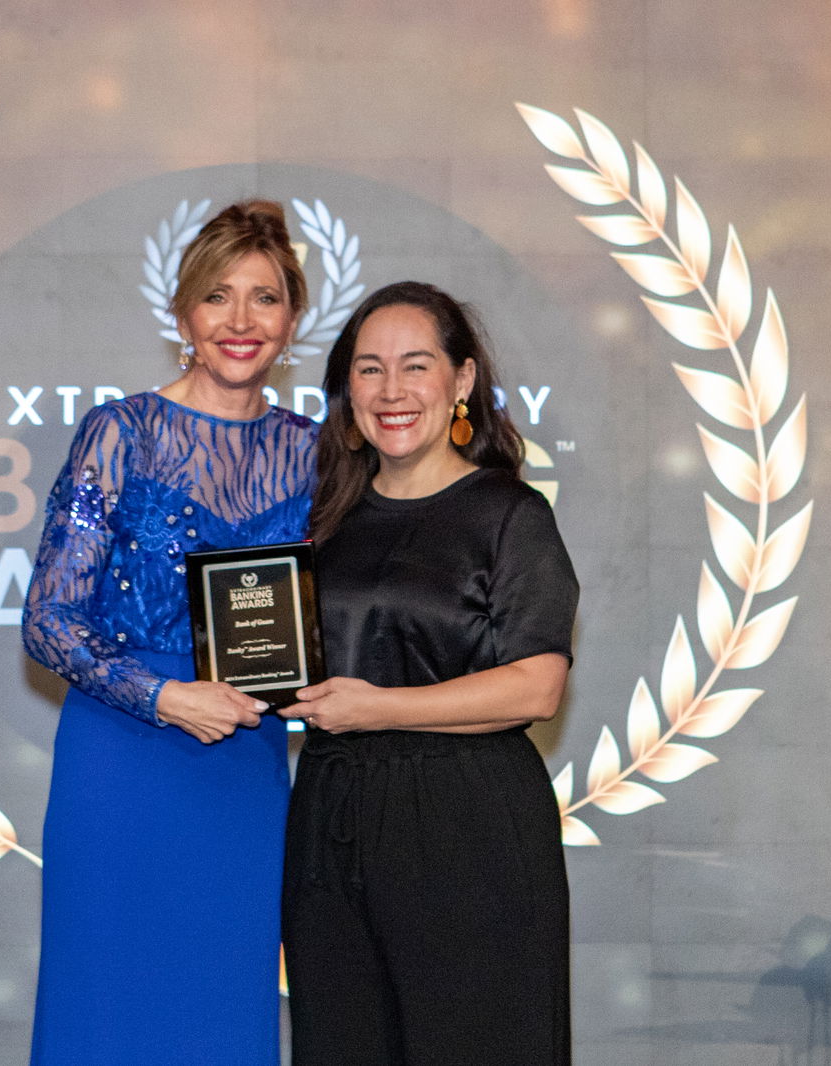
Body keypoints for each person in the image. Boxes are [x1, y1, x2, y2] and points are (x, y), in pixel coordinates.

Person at [21, 200, 315, 1066]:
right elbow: (47, 620)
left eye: (264, 298)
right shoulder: (121, 433)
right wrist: (162, 695)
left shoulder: (318, 450)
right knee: (106, 1008)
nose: (240, 321)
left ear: (293, 319)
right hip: (120, 767)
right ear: (183, 312)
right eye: (218, 296)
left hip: (241, 769)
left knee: (224, 1009)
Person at [279, 281, 578, 1065]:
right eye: (369, 370)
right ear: (347, 391)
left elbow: (537, 686)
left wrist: (378, 708)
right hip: (333, 817)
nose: (392, 390)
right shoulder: (324, 523)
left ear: (463, 381)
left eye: (416, 366)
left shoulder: (510, 516)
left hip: (467, 825)